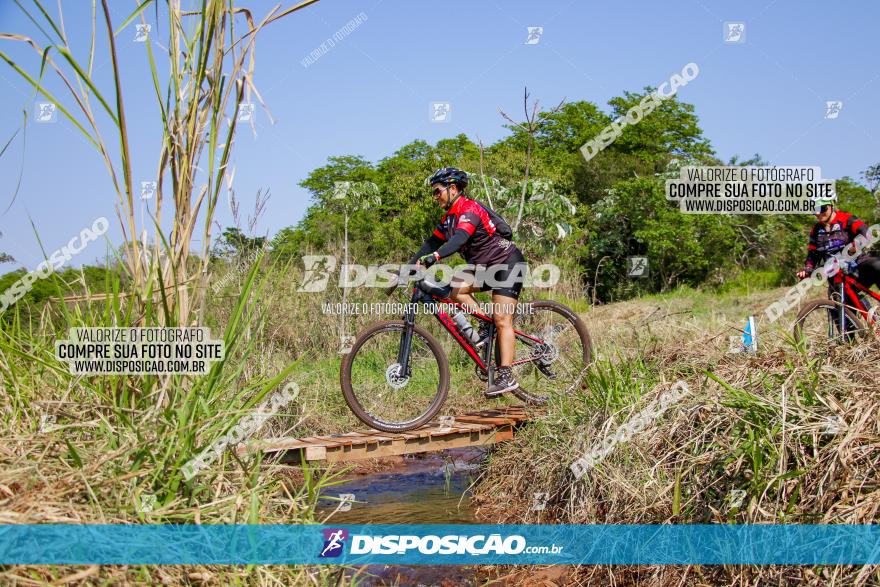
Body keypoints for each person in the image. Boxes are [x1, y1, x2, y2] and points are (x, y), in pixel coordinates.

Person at [409, 167, 528, 397]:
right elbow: (430, 244)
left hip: (507, 263)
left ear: (452, 188)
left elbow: (460, 239)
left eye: (437, 191)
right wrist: (404, 269)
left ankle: (506, 375)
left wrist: (434, 258)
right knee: (456, 288)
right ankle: (486, 325)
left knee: (503, 318)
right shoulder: (448, 219)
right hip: (485, 268)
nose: (435, 197)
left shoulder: (469, 209)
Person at [796, 199, 880, 307]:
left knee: (878, 265)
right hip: (837, 277)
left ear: (831, 205)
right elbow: (813, 255)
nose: (817, 213)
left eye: (821, 209)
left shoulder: (847, 219)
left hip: (859, 267)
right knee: (838, 313)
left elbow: (866, 232)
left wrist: (856, 246)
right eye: (814, 210)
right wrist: (807, 269)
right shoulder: (815, 230)